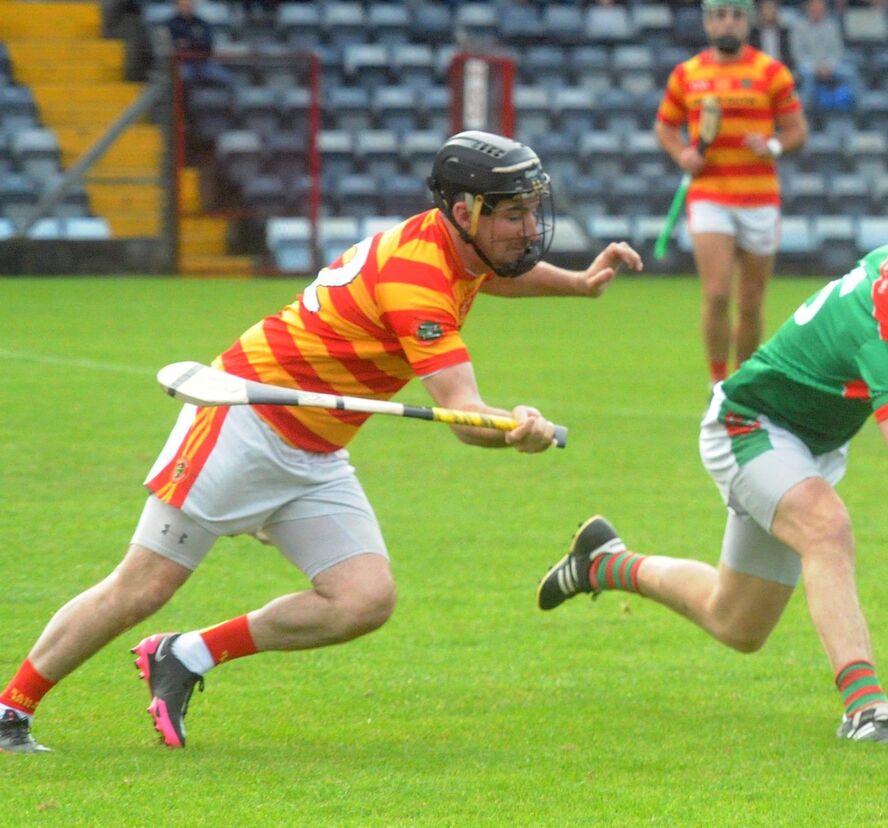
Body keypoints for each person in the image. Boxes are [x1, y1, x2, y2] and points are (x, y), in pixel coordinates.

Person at [0, 131, 643, 754]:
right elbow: (462, 414)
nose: (529, 229)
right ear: (464, 211)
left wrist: (578, 283)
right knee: (142, 586)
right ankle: (11, 709)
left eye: (532, 210)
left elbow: (489, 274)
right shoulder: (415, 279)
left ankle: (185, 655)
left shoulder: (459, 248)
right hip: (242, 421)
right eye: (514, 214)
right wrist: (515, 430)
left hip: (316, 449)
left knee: (362, 600)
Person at [538, 196, 888, 745]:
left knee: (736, 624)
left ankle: (604, 562)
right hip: (748, 424)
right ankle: (866, 710)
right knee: (827, 528)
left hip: (807, 443)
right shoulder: (885, 337)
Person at [656, 0, 808, 388]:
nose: (728, 23)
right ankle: (717, 382)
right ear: (708, 22)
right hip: (709, 195)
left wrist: (772, 146)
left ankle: (741, 386)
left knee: (751, 302)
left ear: (747, 22)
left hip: (759, 198)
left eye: (737, 15)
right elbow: (666, 126)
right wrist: (682, 154)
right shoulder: (687, 74)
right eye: (720, 15)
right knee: (718, 293)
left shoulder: (771, 72)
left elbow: (796, 131)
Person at [790, 0, 852, 112]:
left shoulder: (832, 26)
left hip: (830, 66)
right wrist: (816, 67)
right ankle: (804, 111)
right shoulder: (799, 27)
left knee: (851, 73)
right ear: (808, 8)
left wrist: (828, 66)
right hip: (808, 66)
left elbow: (837, 51)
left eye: (820, 7)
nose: (818, 10)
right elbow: (798, 53)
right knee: (807, 76)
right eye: (815, 7)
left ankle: (859, 112)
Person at [165, 0, 231, 87]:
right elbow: (173, 44)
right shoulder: (171, 24)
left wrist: (189, 42)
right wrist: (195, 41)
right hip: (183, 63)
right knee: (182, 77)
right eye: (182, 6)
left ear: (193, 6)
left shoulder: (201, 23)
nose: (185, 8)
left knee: (227, 78)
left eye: (188, 5)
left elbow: (208, 43)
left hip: (203, 62)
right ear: (177, 7)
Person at [750, 0, 794, 68]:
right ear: (760, 12)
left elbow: (789, 55)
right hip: (760, 67)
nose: (768, 12)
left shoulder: (784, 32)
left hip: (781, 67)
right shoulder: (753, 33)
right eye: (766, 9)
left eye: (771, 9)